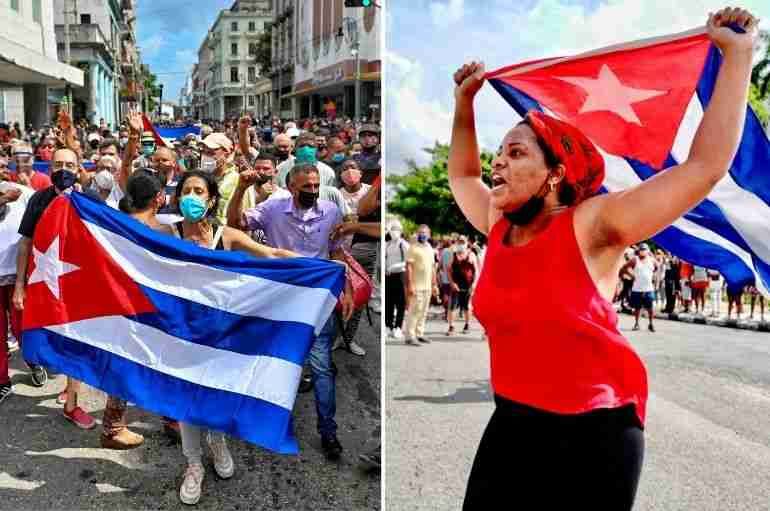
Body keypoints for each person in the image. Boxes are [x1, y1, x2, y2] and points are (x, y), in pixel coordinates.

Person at [448, 8, 757, 509]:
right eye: (499, 151)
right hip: (512, 421)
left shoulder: (592, 223)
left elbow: (704, 167)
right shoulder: (497, 222)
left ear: (554, 174)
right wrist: (465, 103)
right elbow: (462, 177)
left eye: (517, 153)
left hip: (595, 431)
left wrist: (737, 56)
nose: (497, 161)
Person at [172, 170, 297, 505]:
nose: (192, 197)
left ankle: (217, 440)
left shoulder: (224, 235)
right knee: (186, 399)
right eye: (187, 190)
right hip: (181, 331)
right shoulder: (166, 233)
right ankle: (194, 463)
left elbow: (270, 255)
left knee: (219, 392)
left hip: (222, 332)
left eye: (199, 191)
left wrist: (320, 266)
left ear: (211, 199)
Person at [233, 162, 354, 462]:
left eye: (316, 185)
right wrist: (240, 189)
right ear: (290, 187)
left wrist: (347, 288)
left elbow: (338, 253)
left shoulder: (330, 211)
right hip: (280, 298)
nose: (313, 191)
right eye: (306, 187)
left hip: (317, 300)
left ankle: (328, 432)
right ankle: (270, 424)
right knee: (275, 363)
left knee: (322, 367)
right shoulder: (272, 209)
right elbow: (237, 224)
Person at [13, 147, 95, 428]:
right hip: (46, 284)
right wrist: (20, 286)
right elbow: (25, 242)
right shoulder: (38, 199)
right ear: (49, 169)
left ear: (79, 167)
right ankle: (68, 387)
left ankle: (72, 403)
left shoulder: (89, 201)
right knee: (55, 339)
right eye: (58, 164)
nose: (64, 169)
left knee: (77, 340)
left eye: (69, 164)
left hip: (81, 286)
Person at [404, 225, 439, 345]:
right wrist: (410, 285)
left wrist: (434, 285)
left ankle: (419, 333)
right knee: (414, 311)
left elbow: (433, 268)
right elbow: (408, 268)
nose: (422, 235)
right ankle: (410, 336)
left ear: (429, 235)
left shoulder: (430, 248)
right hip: (416, 286)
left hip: (427, 286)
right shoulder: (413, 248)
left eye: (424, 233)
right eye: (420, 232)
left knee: (423, 311)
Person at [446, 235, 478, 335]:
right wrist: (452, 283)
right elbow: (448, 270)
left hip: (468, 285)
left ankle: (467, 325)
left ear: (466, 243)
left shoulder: (471, 254)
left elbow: (476, 271)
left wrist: (474, 284)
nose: (461, 244)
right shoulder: (453, 255)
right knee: (452, 306)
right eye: (459, 242)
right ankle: (451, 327)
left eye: (463, 242)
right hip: (456, 285)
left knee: (467, 306)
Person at [624, 243, 657, 332]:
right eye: (641, 249)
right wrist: (632, 276)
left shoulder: (652, 260)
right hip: (637, 288)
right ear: (639, 251)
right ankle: (637, 324)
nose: (642, 251)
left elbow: (656, 268)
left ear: (648, 251)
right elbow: (624, 268)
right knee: (637, 308)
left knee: (650, 308)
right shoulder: (635, 260)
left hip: (648, 288)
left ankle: (651, 324)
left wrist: (652, 277)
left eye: (644, 249)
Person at [385, 222, 409, 340]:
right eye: (392, 229)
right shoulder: (388, 244)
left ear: (400, 231)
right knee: (389, 302)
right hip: (389, 276)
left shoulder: (403, 244)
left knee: (400, 303)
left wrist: (394, 267)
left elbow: (407, 261)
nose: (394, 231)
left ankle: (398, 327)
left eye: (396, 229)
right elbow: (385, 258)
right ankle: (388, 326)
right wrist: (385, 267)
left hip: (400, 275)